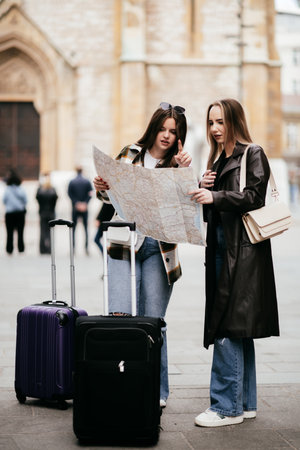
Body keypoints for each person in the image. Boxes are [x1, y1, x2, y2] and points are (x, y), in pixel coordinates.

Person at [93, 102, 192, 407]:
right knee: (120, 318)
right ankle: (122, 383)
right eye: (162, 128)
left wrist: (186, 173)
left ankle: (157, 390)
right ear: (153, 127)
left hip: (159, 248)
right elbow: (109, 196)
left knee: (153, 322)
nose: (166, 135)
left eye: (173, 132)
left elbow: (187, 208)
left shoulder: (179, 164)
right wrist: (101, 187)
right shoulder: (129, 153)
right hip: (124, 244)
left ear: (179, 137)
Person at [189, 98, 279, 427]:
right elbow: (216, 211)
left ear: (234, 122)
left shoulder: (251, 152)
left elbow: (255, 197)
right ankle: (246, 402)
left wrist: (216, 196)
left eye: (221, 122)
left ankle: (226, 407)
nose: (214, 129)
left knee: (227, 324)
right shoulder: (219, 159)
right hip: (223, 249)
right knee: (237, 328)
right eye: (211, 122)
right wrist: (204, 190)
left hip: (242, 252)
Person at [68, 166, 93, 254]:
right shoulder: (87, 181)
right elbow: (90, 193)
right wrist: (85, 203)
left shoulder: (72, 182)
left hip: (75, 208)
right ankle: (86, 248)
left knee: (73, 229)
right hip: (84, 208)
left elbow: (69, 194)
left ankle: (73, 248)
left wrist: (76, 203)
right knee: (85, 228)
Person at [3, 169, 27, 255]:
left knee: (9, 233)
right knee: (20, 232)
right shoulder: (21, 189)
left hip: (9, 213)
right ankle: (21, 249)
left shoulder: (7, 189)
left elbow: (4, 200)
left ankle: (9, 249)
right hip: (20, 213)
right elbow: (25, 200)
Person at [36, 172, 58, 254]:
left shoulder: (40, 189)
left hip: (43, 212)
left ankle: (42, 249)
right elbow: (55, 200)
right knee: (51, 231)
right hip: (51, 212)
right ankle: (49, 249)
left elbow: (37, 199)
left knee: (42, 231)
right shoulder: (53, 189)